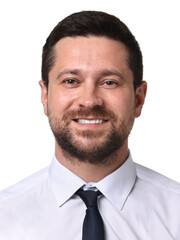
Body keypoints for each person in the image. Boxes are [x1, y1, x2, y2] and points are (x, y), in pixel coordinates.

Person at [0, 11, 180, 240]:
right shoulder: (4, 219)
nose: (89, 100)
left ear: (138, 99)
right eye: (71, 81)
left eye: (109, 82)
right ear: (45, 96)